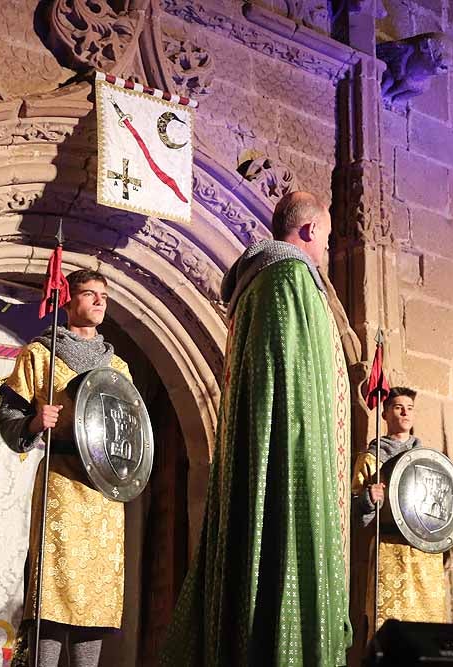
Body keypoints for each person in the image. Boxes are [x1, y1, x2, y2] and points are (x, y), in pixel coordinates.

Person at [161, 191, 351, 666]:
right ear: (308, 231)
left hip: (263, 442)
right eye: (325, 240)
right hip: (291, 449)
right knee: (286, 539)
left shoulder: (256, 284)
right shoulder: (290, 278)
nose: (325, 253)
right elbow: (297, 391)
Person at [0, 269, 131, 667]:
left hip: (104, 493)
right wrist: (37, 423)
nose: (99, 301)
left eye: (104, 295)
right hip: (62, 484)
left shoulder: (119, 367)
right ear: (68, 301)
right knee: (51, 595)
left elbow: (129, 432)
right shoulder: (40, 354)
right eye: (89, 294)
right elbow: (8, 417)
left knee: (96, 596)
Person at [351, 387, 444, 634]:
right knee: (389, 623)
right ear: (385, 413)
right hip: (391, 548)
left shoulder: (429, 460)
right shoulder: (372, 459)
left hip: (425, 553)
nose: (405, 413)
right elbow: (355, 512)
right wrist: (369, 499)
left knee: (427, 627)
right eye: (398, 407)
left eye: (410, 408)